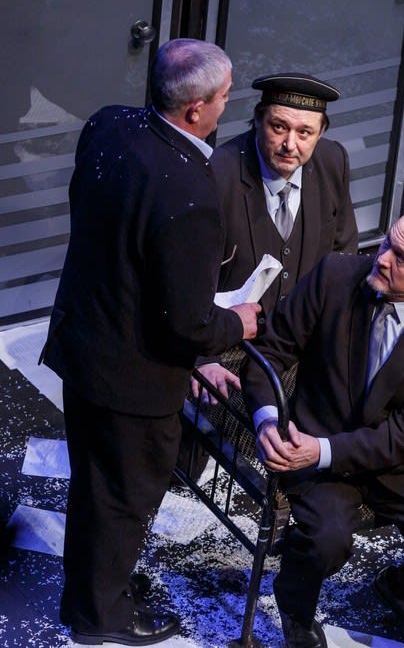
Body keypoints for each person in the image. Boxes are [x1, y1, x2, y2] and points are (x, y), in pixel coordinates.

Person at [40, 38, 260, 646]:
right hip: (132, 380)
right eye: (224, 97)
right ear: (196, 109)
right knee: (123, 498)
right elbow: (187, 323)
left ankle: (96, 587)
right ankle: (99, 616)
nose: (227, 106)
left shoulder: (108, 126)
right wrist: (238, 324)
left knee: (96, 485)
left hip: (85, 344)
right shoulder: (189, 193)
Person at [243, 207, 404, 648]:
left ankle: (402, 592)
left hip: (396, 463)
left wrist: (321, 450)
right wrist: (267, 421)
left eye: (401, 257)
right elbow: (271, 353)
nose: (383, 257)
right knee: (326, 541)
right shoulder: (334, 276)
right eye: (388, 242)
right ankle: (295, 605)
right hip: (317, 442)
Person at [192, 71, 359, 397]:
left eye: (305, 132)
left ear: (321, 132)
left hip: (302, 344)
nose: (290, 145)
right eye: (279, 127)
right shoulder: (218, 173)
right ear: (257, 121)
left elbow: (344, 252)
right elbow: (189, 276)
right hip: (228, 347)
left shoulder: (333, 160)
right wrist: (204, 357)